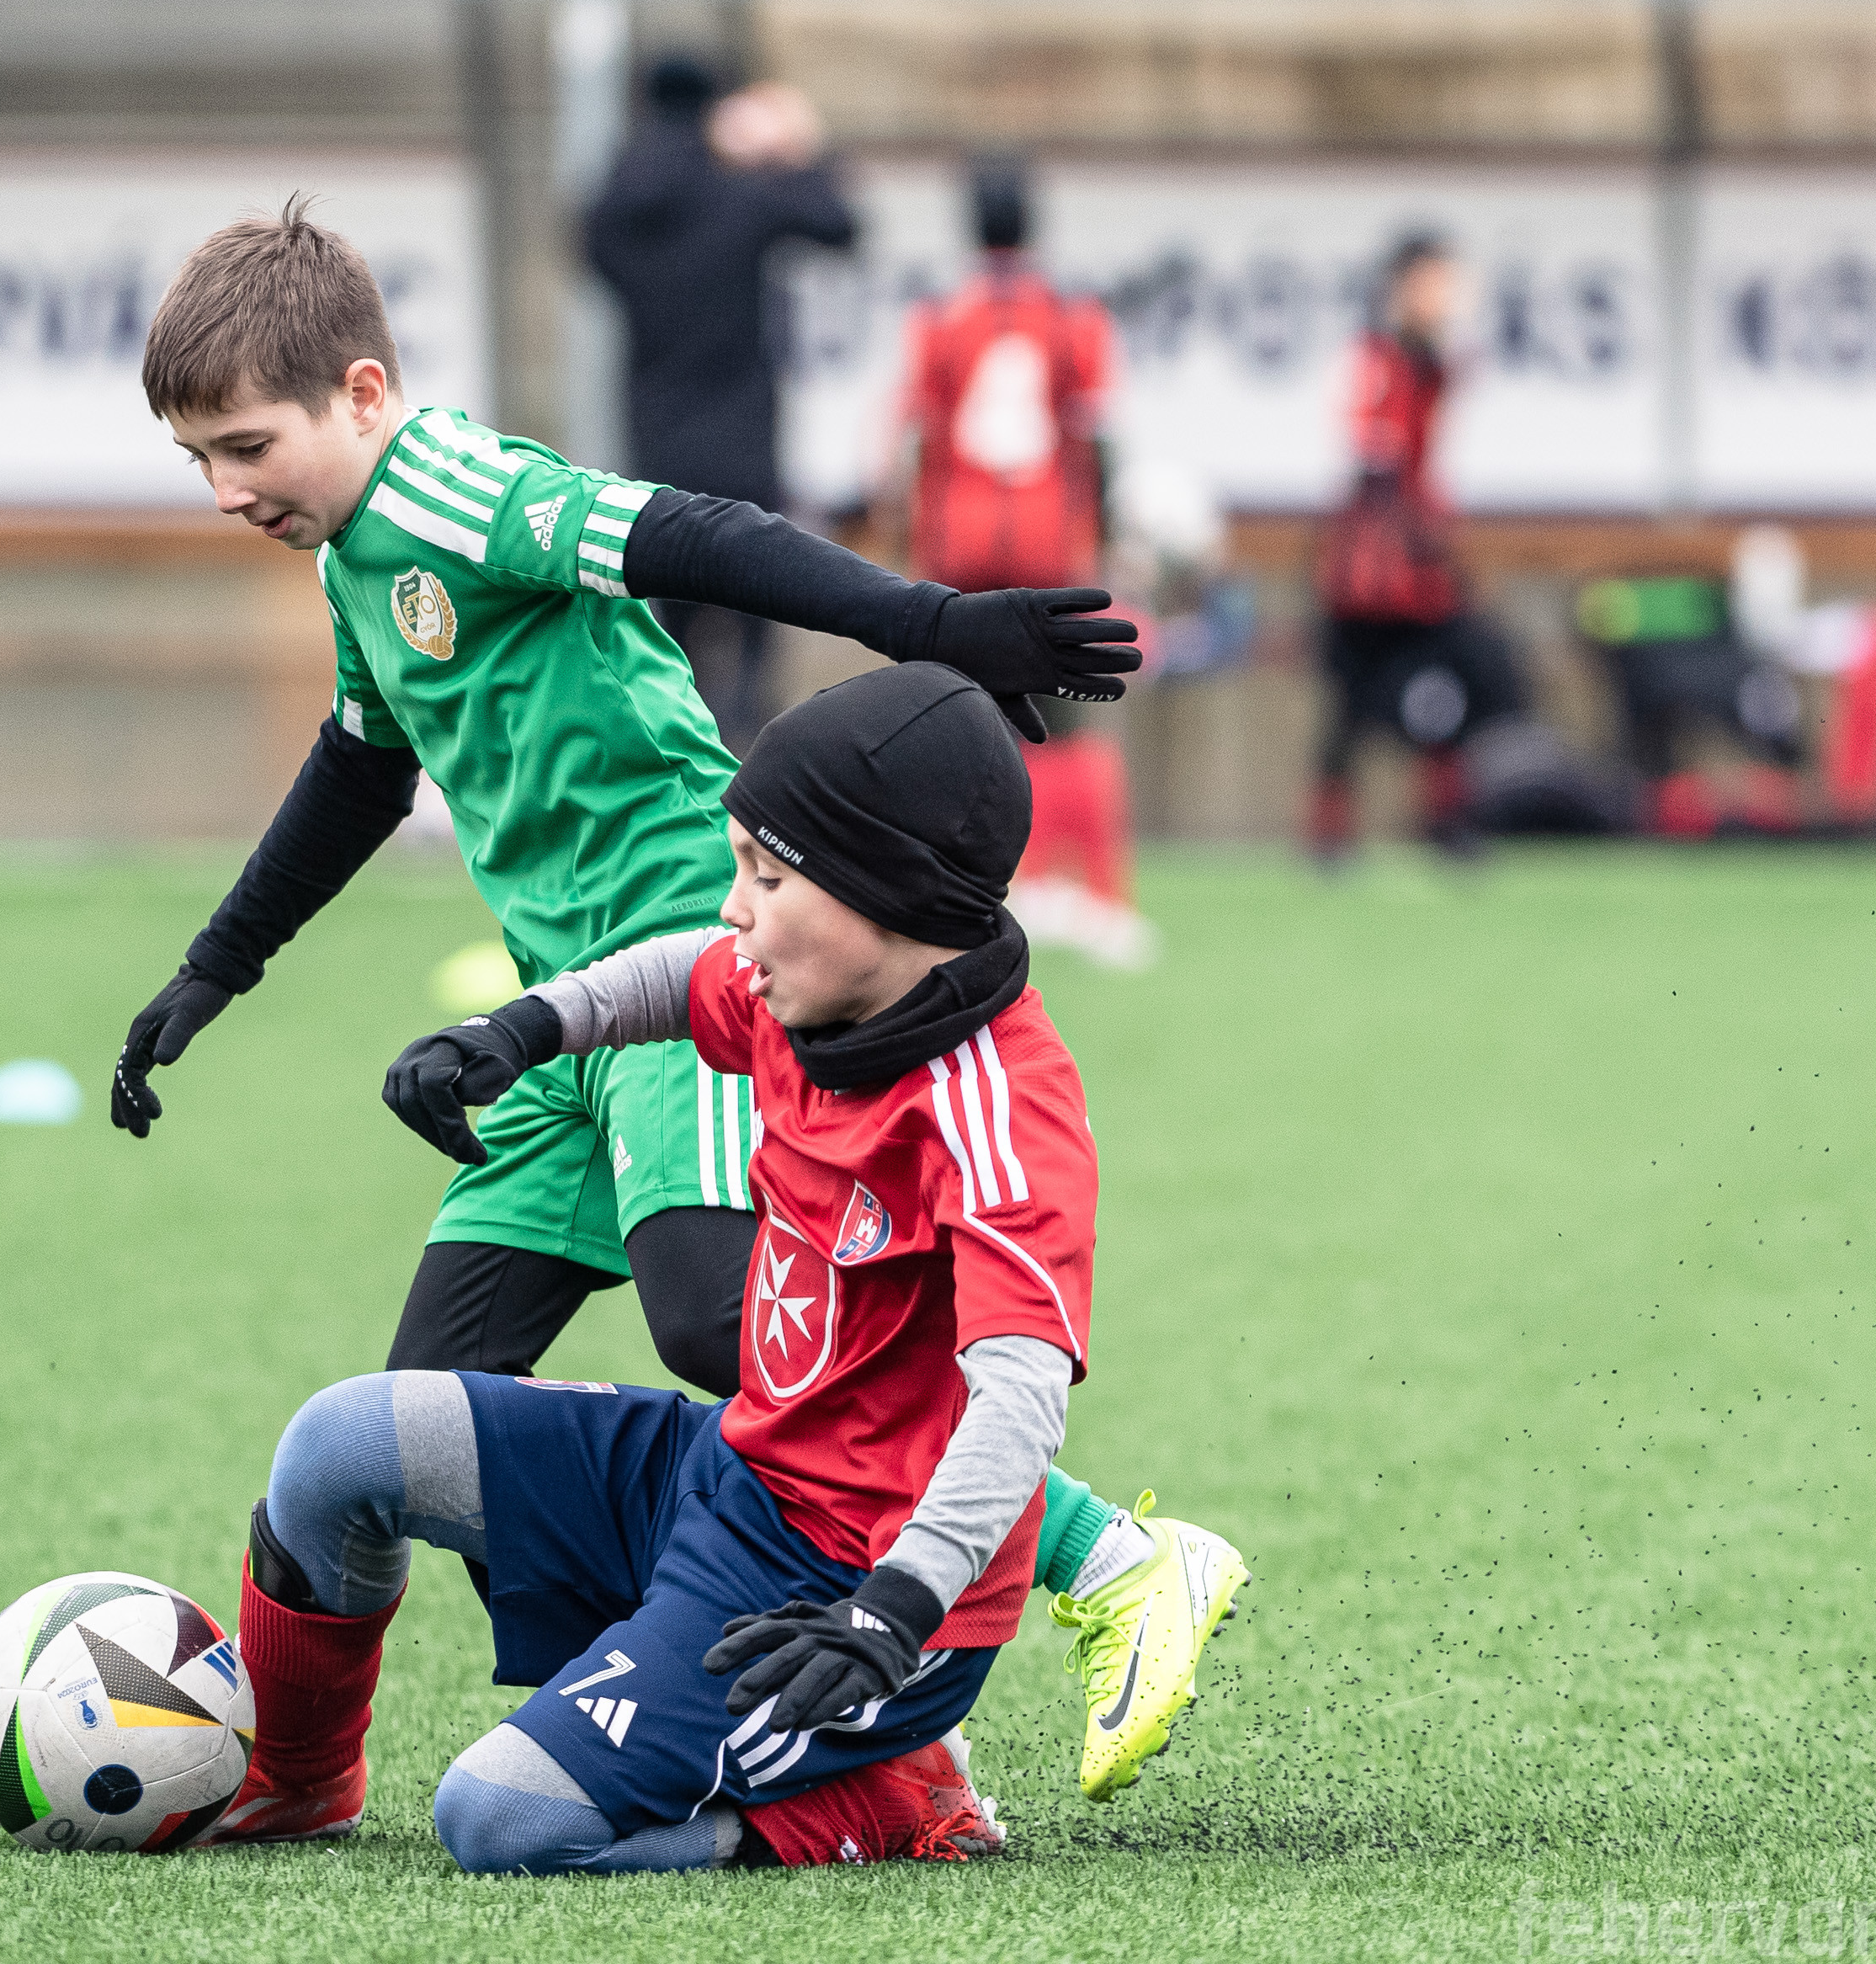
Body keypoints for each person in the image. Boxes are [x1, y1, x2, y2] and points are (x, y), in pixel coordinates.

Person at [113, 196, 1162, 1814]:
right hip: (556, 1018)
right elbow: (360, 766)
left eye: (247, 445)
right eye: (199, 459)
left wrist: (927, 622)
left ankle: (1094, 1556)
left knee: (718, 1322)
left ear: (366, 393)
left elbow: (696, 532)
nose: (227, 487)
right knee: (420, 1408)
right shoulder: (355, 556)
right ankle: (307, 1776)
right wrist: (216, 966)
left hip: (695, 946)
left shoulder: (451, 484)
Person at [210, 666, 1251, 1864]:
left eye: (767, 874)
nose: (734, 906)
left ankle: (890, 1796)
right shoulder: (812, 986)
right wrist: (522, 1028)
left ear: (888, 893)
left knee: (499, 1818)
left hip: (846, 1587)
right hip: (727, 1471)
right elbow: (676, 971)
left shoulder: (997, 1114)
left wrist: (895, 1611)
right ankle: (297, 1782)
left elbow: (1019, 1397)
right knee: (339, 1442)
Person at [888, 153, 1151, 968]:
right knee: (1062, 711)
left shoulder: (941, 317)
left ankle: (968, 891)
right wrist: (1102, 530)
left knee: (956, 710)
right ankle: (1093, 892)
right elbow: (1097, 435)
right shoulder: (1070, 316)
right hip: (1046, 540)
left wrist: (908, 540)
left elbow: (913, 439)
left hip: (959, 541)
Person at [586, 60, 858, 748]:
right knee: (756, 605)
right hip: (744, 437)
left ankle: (683, 754)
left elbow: (590, 245)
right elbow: (839, 224)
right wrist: (792, 148)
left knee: (671, 620)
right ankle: (754, 747)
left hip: (659, 441)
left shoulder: (621, 206)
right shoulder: (742, 194)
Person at [1307, 232, 1530, 860]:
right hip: (1371, 572)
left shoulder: (1432, 363)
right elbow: (1370, 460)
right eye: (1432, 284)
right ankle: (1330, 830)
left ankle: (1446, 818)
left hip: (1420, 570)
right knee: (1350, 704)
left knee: (1450, 685)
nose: (1443, 299)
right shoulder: (1372, 362)